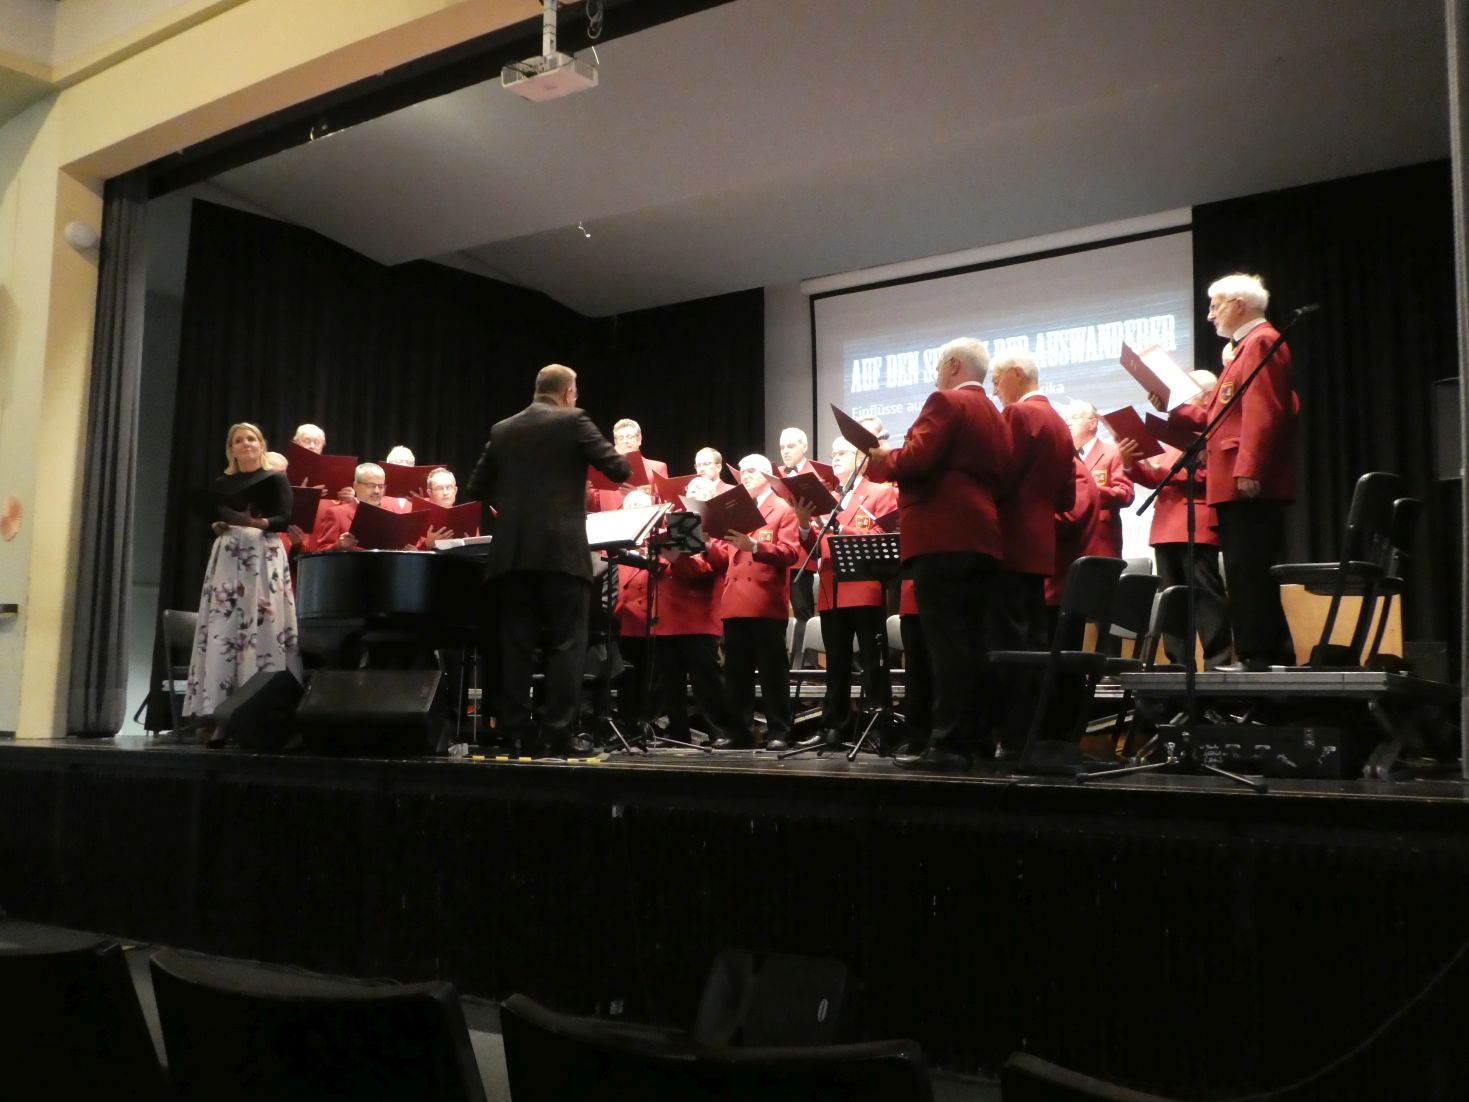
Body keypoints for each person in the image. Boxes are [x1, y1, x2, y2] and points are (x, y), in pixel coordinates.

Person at [466, 364, 629, 757]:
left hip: (512, 555)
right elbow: (619, 468)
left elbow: (475, 486)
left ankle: (515, 732)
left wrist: (516, 498)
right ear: (569, 392)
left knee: (516, 645)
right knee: (566, 643)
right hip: (561, 552)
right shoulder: (574, 420)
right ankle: (557, 734)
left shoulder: (503, 429)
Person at [865, 337, 1013, 771]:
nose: (934, 376)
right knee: (974, 642)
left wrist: (882, 458)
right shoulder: (995, 414)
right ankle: (978, 740)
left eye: (936, 367)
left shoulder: (946, 401)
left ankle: (948, 743)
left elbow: (916, 460)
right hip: (982, 535)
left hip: (942, 536)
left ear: (952, 365)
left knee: (946, 645)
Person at [1161, 273, 1299, 670]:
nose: (1209, 315)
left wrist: (1250, 466)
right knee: (1242, 570)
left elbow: (1264, 410)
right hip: (1232, 479)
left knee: (1250, 570)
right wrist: (1170, 403)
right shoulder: (1244, 349)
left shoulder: (1261, 342)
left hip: (1247, 479)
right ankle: (1259, 652)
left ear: (1239, 304)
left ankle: (1261, 654)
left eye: (1215, 306)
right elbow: (1216, 416)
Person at [182, 422, 302, 745]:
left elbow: (285, 517)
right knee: (225, 631)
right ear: (231, 449)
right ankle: (221, 719)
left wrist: (255, 521)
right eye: (238, 440)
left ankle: (260, 716)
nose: (245, 444)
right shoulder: (222, 483)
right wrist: (217, 523)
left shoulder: (274, 478)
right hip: (228, 554)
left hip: (262, 554)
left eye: (251, 439)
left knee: (261, 630)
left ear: (261, 445)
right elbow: (208, 520)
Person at [1117, 370, 1233, 669]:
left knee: (1206, 596)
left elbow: (1213, 475)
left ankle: (1218, 662)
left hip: (1197, 523)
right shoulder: (1175, 436)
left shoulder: (1213, 429)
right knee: (1172, 599)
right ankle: (1178, 665)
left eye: (1190, 395)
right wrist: (1130, 465)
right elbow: (1157, 478)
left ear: (1207, 397)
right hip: (1166, 525)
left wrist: (1165, 472)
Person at [790, 437, 898, 747]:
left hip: (865, 589)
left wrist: (840, 528)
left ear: (861, 459)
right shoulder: (830, 498)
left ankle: (877, 728)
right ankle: (834, 727)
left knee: (872, 662)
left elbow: (883, 536)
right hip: (831, 590)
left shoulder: (879, 492)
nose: (835, 458)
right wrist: (804, 526)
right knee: (836, 664)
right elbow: (815, 549)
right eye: (833, 453)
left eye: (842, 453)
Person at [706, 454, 799, 750]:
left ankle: (779, 732)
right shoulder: (735, 511)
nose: (745, 476)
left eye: (751, 471)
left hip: (765, 602)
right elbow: (724, 556)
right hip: (735, 601)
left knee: (773, 673)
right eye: (742, 472)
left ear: (767, 475)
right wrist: (707, 544)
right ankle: (739, 732)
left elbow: (791, 553)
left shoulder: (782, 508)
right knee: (736, 674)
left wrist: (757, 546)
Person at [989, 352, 1075, 650]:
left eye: (996, 381)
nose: (995, 391)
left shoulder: (1017, 413)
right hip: (1041, 545)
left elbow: (1000, 474)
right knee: (1034, 638)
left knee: (1009, 640)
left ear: (1016, 373)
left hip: (1010, 538)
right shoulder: (1060, 421)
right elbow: (1067, 498)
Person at [1067, 400, 1133, 557]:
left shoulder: (1113, 452)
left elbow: (1126, 494)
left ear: (1092, 423)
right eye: (1066, 418)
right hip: (1070, 541)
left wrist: (1089, 492)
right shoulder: (1065, 456)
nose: (1068, 423)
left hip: (1101, 542)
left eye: (1074, 417)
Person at [777, 427, 817, 622]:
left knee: (802, 613)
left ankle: (805, 645)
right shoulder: (774, 475)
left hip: (802, 553)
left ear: (805, 446)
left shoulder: (817, 475)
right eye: (782, 447)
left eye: (791, 446)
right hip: (776, 551)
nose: (785, 451)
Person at [590, 418, 668, 511]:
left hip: (643, 519)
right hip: (609, 519)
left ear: (639, 439)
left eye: (629, 437)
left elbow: (666, 503)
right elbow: (594, 505)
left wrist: (638, 496)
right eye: (620, 438)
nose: (625, 441)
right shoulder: (605, 470)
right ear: (615, 442)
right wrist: (586, 492)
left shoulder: (657, 467)